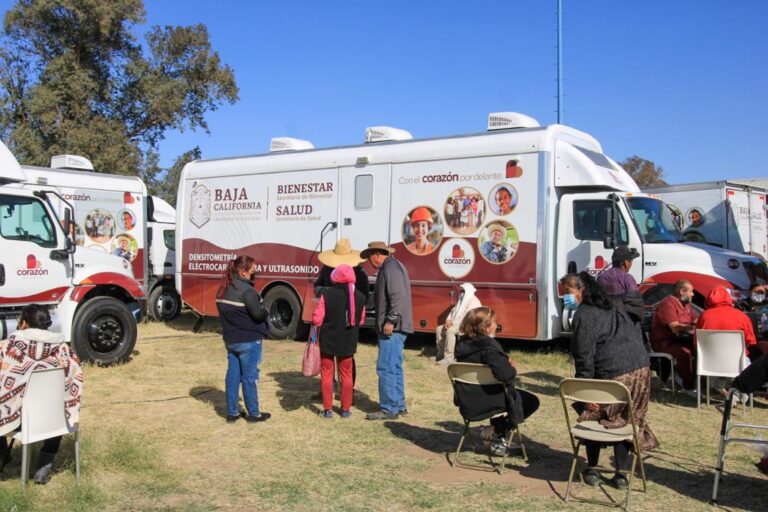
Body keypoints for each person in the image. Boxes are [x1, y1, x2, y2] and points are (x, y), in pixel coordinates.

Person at [568, 272, 658, 490]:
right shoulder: (614, 306)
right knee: (625, 419)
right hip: (641, 371)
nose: (565, 296)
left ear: (581, 291)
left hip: (616, 374)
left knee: (595, 412)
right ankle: (621, 474)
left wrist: (584, 390)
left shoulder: (585, 314)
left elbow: (583, 356)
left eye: (567, 292)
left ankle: (591, 468)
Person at [0, 304, 83, 484]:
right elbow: (75, 383)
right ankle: (43, 467)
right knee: (58, 403)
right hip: (55, 420)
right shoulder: (65, 351)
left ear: (23, 324)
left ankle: (3, 455)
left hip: (19, 420)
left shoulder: (6, 349)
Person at [454, 307, 540, 456]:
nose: (497, 326)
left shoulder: (461, 345)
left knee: (498, 390)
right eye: (494, 323)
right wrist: (510, 367)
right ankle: (495, 431)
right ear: (485, 327)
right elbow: (506, 375)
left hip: (467, 398)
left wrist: (503, 362)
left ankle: (497, 436)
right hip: (492, 400)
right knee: (531, 401)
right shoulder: (489, 348)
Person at [360, 241, 413, 420]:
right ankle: (398, 405)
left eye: (369, 258)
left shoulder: (390, 268)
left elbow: (398, 297)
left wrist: (390, 321)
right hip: (398, 327)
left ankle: (389, 408)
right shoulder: (394, 266)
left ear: (376, 254)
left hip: (393, 329)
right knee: (394, 366)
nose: (369, 262)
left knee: (386, 367)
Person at [216, 255, 270, 423]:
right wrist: (266, 310)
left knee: (233, 375)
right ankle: (254, 414)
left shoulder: (223, 288)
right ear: (243, 271)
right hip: (249, 340)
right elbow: (258, 314)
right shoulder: (247, 291)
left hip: (231, 340)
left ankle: (232, 413)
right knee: (249, 377)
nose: (254, 274)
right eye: (252, 271)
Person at [312, 264, 365, 418]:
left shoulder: (327, 294)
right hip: (348, 341)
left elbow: (317, 318)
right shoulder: (360, 296)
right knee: (347, 375)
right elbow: (360, 321)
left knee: (327, 374)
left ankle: (328, 410)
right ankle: (346, 409)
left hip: (328, 340)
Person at [650, 280, 699, 392]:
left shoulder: (686, 305)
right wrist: (692, 328)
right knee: (685, 352)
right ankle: (687, 385)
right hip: (664, 342)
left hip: (682, 340)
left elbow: (695, 319)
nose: (693, 294)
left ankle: (700, 382)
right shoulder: (668, 304)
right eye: (691, 291)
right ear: (682, 291)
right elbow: (675, 327)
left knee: (700, 349)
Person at [697, 286, 766, 364]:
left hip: (708, 363)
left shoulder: (703, 316)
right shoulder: (742, 316)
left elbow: (697, 343)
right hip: (738, 363)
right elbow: (750, 341)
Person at [435, 282, 482, 366]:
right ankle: (441, 354)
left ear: (468, 291)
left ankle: (449, 358)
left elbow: (467, 317)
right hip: (455, 323)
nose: (461, 293)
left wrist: (452, 324)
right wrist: (448, 320)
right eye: (460, 291)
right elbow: (452, 311)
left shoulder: (474, 302)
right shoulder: (462, 300)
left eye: (463, 291)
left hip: (467, 325)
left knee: (450, 331)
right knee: (439, 329)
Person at [597, 246, 643, 322]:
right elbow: (637, 305)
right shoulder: (628, 279)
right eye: (631, 261)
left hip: (603, 321)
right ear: (626, 262)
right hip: (622, 323)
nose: (631, 264)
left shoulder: (601, 277)